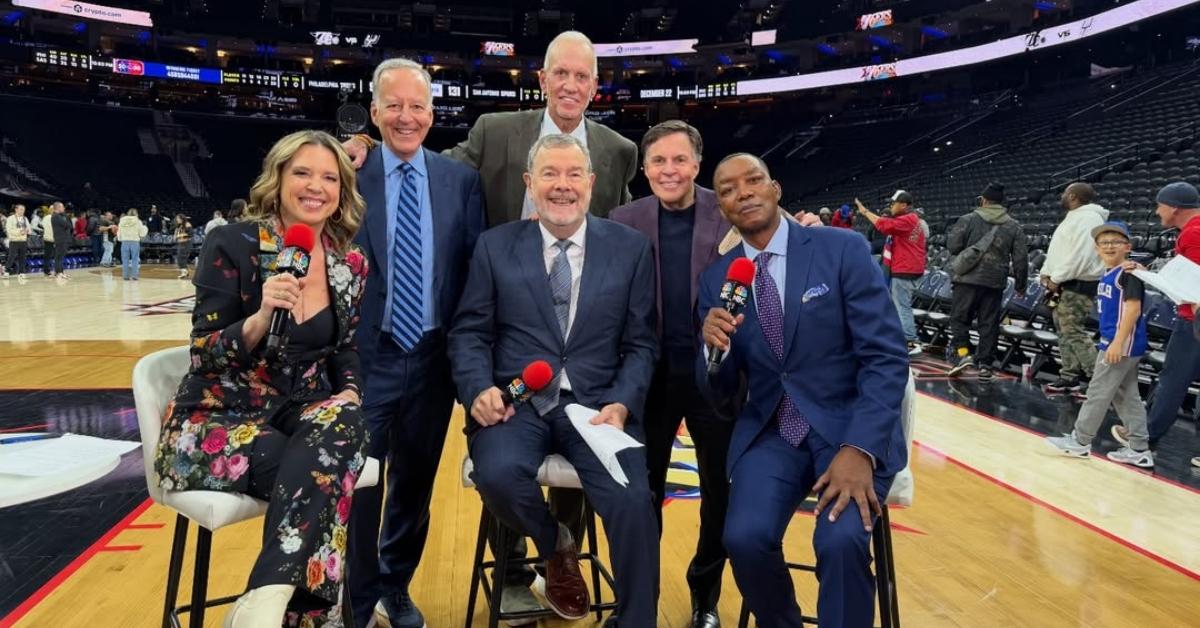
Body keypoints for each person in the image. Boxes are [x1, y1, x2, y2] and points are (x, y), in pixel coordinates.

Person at [154, 130, 369, 628]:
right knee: (326, 474)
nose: (315, 186)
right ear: (278, 180)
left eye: (329, 177)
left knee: (348, 426)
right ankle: (298, 614)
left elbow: (345, 349)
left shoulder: (348, 262)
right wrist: (258, 318)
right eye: (302, 173)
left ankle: (263, 600)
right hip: (217, 419)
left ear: (342, 191)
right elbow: (205, 355)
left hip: (298, 411)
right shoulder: (231, 242)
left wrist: (351, 392)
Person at [449, 133, 659, 626]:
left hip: (599, 406)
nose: (562, 186)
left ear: (591, 183)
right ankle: (555, 545)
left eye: (572, 175)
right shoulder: (494, 246)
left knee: (632, 502)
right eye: (549, 174)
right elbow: (469, 333)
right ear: (529, 183)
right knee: (497, 474)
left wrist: (624, 403)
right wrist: (478, 388)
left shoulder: (630, 249)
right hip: (517, 404)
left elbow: (642, 343)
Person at [700, 153, 908, 628]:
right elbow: (720, 393)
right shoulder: (718, 279)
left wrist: (861, 448)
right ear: (723, 209)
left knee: (840, 542)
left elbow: (886, 357)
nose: (743, 192)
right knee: (744, 538)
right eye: (729, 189)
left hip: (849, 427)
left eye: (753, 181)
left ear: (775, 189)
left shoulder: (842, 248)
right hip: (774, 431)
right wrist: (716, 354)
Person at [343, 58, 485, 628]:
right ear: (374, 113)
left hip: (430, 357)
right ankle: (355, 598)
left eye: (418, 106)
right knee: (359, 482)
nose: (407, 117)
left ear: (433, 114)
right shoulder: (345, 176)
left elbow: (473, 273)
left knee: (414, 483)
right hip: (365, 357)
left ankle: (393, 586)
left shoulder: (461, 181)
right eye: (394, 106)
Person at [609, 120, 732, 628]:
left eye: (679, 160)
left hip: (717, 377)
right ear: (644, 168)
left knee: (719, 492)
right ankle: (640, 600)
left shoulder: (728, 212)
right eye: (658, 161)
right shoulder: (623, 217)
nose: (669, 170)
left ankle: (705, 595)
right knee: (643, 494)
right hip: (649, 376)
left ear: (697, 165)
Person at [345, 31, 638, 226]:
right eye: (560, 73)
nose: (570, 86)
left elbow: (626, 224)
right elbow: (430, 166)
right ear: (542, 80)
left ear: (594, 86)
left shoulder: (619, 150)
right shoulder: (493, 132)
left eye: (581, 76)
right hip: (506, 295)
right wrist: (368, 143)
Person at [1045, 221, 1153, 467]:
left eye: (1115, 242)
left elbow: (1133, 310)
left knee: (1097, 392)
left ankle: (1080, 441)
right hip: (1116, 343)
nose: (1109, 246)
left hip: (1121, 345)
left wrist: (1117, 343)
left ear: (1128, 246)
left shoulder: (1128, 273)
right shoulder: (1111, 272)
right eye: (1104, 242)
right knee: (1126, 396)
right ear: (1096, 248)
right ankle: (1139, 448)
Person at [1113, 182, 1200, 453]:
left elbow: (1193, 285)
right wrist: (1146, 273)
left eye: (1160, 205)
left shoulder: (1194, 233)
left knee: (1173, 379)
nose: (1157, 211)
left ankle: (1145, 436)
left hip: (1194, 321)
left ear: (1174, 207)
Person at [946, 183, 1028, 380]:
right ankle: (985, 365)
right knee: (989, 323)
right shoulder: (1014, 225)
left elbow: (953, 246)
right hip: (994, 282)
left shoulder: (968, 219)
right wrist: (1020, 285)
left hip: (966, 279)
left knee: (959, 319)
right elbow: (1021, 258)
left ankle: (964, 355)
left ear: (983, 200)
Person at [1039, 182, 1108, 394]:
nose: (1061, 195)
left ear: (1072, 196)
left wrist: (1057, 277)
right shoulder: (1077, 216)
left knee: (1073, 331)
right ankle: (1069, 376)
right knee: (1063, 331)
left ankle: (1101, 382)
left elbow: (1081, 255)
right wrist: (1046, 271)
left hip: (1077, 283)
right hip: (1063, 282)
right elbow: (1061, 250)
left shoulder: (1089, 218)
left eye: (1064, 193)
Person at [855, 191, 927, 356]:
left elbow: (882, 224)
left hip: (905, 268)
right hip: (908, 266)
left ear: (904, 205)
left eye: (894, 203)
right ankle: (902, 339)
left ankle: (911, 342)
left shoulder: (908, 219)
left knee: (902, 307)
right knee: (900, 306)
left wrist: (865, 211)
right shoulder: (912, 219)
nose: (891, 206)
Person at [117, 208, 148, 280]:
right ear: (136, 213)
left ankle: (125, 276)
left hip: (124, 241)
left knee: (125, 259)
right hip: (134, 241)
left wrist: (120, 239)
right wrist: (145, 227)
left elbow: (119, 232)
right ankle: (134, 276)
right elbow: (142, 233)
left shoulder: (122, 221)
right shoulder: (137, 221)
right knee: (135, 259)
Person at [5, 203, 31, 279]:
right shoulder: (10, 218)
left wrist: (28, 231)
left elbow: (29, 229)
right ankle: (6, 271)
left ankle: (21, 272)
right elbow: (9, 230)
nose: (23, 211)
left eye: (24, 210)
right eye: (21, 209)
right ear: (16, 209)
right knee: (11, 256)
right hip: (14, 241)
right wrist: (20, 231)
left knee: (23, 257)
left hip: (23, 241)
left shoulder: (25, 218)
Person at [50, 202, 72, 279]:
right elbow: (68, 225)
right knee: (59, 257)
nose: (64, 209)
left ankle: (60, 272)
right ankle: (59, 272)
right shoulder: (56, 216)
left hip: (60, 239)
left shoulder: (57, 216)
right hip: (61, 239)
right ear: (58, 208)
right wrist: (66, 217)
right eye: (62, 207)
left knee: (59, 256)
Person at [173, 214, 194, 279]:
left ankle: (184, 272)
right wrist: (176, 236)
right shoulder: (180, 226)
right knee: (180, 257)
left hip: (186, 243)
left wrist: (180, 237)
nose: (177, 220)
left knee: (181, 257)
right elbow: (177, 234)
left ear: (181, 219)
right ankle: (185, 272)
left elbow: (190, 235)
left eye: (178, 219)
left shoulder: (187, 225)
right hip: (181, 243)